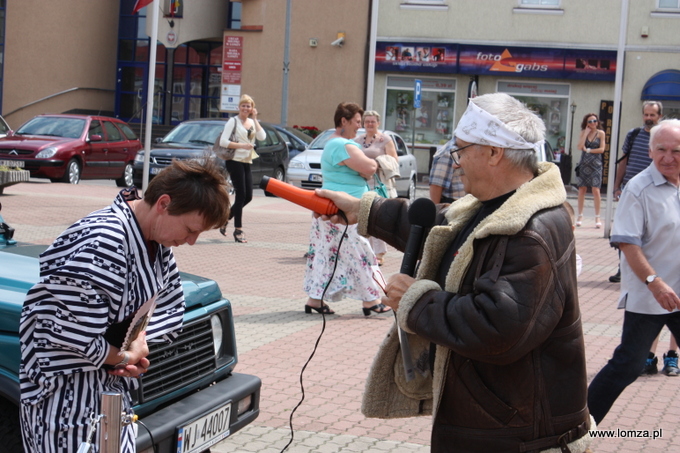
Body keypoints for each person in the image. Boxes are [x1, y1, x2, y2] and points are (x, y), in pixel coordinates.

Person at [316, 93, 592, 452]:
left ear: (494, 153)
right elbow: (436, 230)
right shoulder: (491, 207)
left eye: (460, 150)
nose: (454, 161)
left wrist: (416, 302)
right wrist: (361, 210)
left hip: (519, 437)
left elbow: (498, 328)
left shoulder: (531, 231)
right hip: (497, 426)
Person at [19, 159, 231, 452]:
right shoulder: (104, 241)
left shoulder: (156, 242)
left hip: (110, 396)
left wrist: (138, 344)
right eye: (190, 229)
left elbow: (166, 308)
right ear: (164, 203)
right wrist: (124, 358)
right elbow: (65, 334)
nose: (191, 241)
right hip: (67, 401)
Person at [587, 119, 680, 424]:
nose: (669, 157)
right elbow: (627, 243)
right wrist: (655, 282)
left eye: (676, 150)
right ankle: (578, 428)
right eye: (662, 150)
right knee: (627, 365)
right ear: (651, 151)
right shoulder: (638, 188)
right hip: (650, 294)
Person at [303, 102, 391, 317]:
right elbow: (369, 168)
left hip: (331, 209)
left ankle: (314, 300)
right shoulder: (341, 144)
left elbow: (364, 169)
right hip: (344, 211)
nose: (359, 128)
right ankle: (372, 301)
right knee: (362, 254)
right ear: (344, 121)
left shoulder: (334, 144)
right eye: (357, 122)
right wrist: (372, 165)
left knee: (328, 257)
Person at [609, 101, 663, 282]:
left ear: (659, 117)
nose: (648, 118)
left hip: (653, 191)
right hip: (629, 190)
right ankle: (622, 269)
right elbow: (623, 161)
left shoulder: (661, 139)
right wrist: (617, 186)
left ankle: (644, 269)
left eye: (652, 115)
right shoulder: (634, 135)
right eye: (646, 115)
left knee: (648, 233)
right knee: (625, 230)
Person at [216, 94, 266, 243]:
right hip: (234, 160)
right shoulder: (233, 121)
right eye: (243, 105)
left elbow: (262, 137)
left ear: (252, 109)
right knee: (241, 194)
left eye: (248, 106)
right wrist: (242, 146)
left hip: (247, 161)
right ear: (239, 107)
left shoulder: (251, 122)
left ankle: (225, 219)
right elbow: (224, 142)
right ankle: (238, 230)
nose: (245, 108)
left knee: (248, 196)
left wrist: (256, 119)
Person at [355, 110, 399, 266]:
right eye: (367, 122)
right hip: (361, 183)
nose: (369, 124)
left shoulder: (385, 140)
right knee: (364, 218)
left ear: (378, 123)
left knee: (376, 217)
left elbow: (394, 161)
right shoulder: (358, 140)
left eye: (372, 122)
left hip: (378, 184)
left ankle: (379, 253)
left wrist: (378, 162)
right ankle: (366, 251)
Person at [575, 113, 606, 228]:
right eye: (590, 121)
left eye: (594, 121)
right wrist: (585, 134)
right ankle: (580, 215)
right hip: (584, 164)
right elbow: (579, 146)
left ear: (597, 122)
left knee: (596, 190)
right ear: (586, 123)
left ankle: (597, 217)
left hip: (596, 165)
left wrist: (588, 150)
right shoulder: (584, 133)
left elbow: (602, 149)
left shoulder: (601, 133)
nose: (593, 123)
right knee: (582, 189)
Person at [428, 138, 465, 204]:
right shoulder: (448, 151)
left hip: (467, 205)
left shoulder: (470, 148)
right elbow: (436, 185)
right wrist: (436, 211)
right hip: (453, 206)